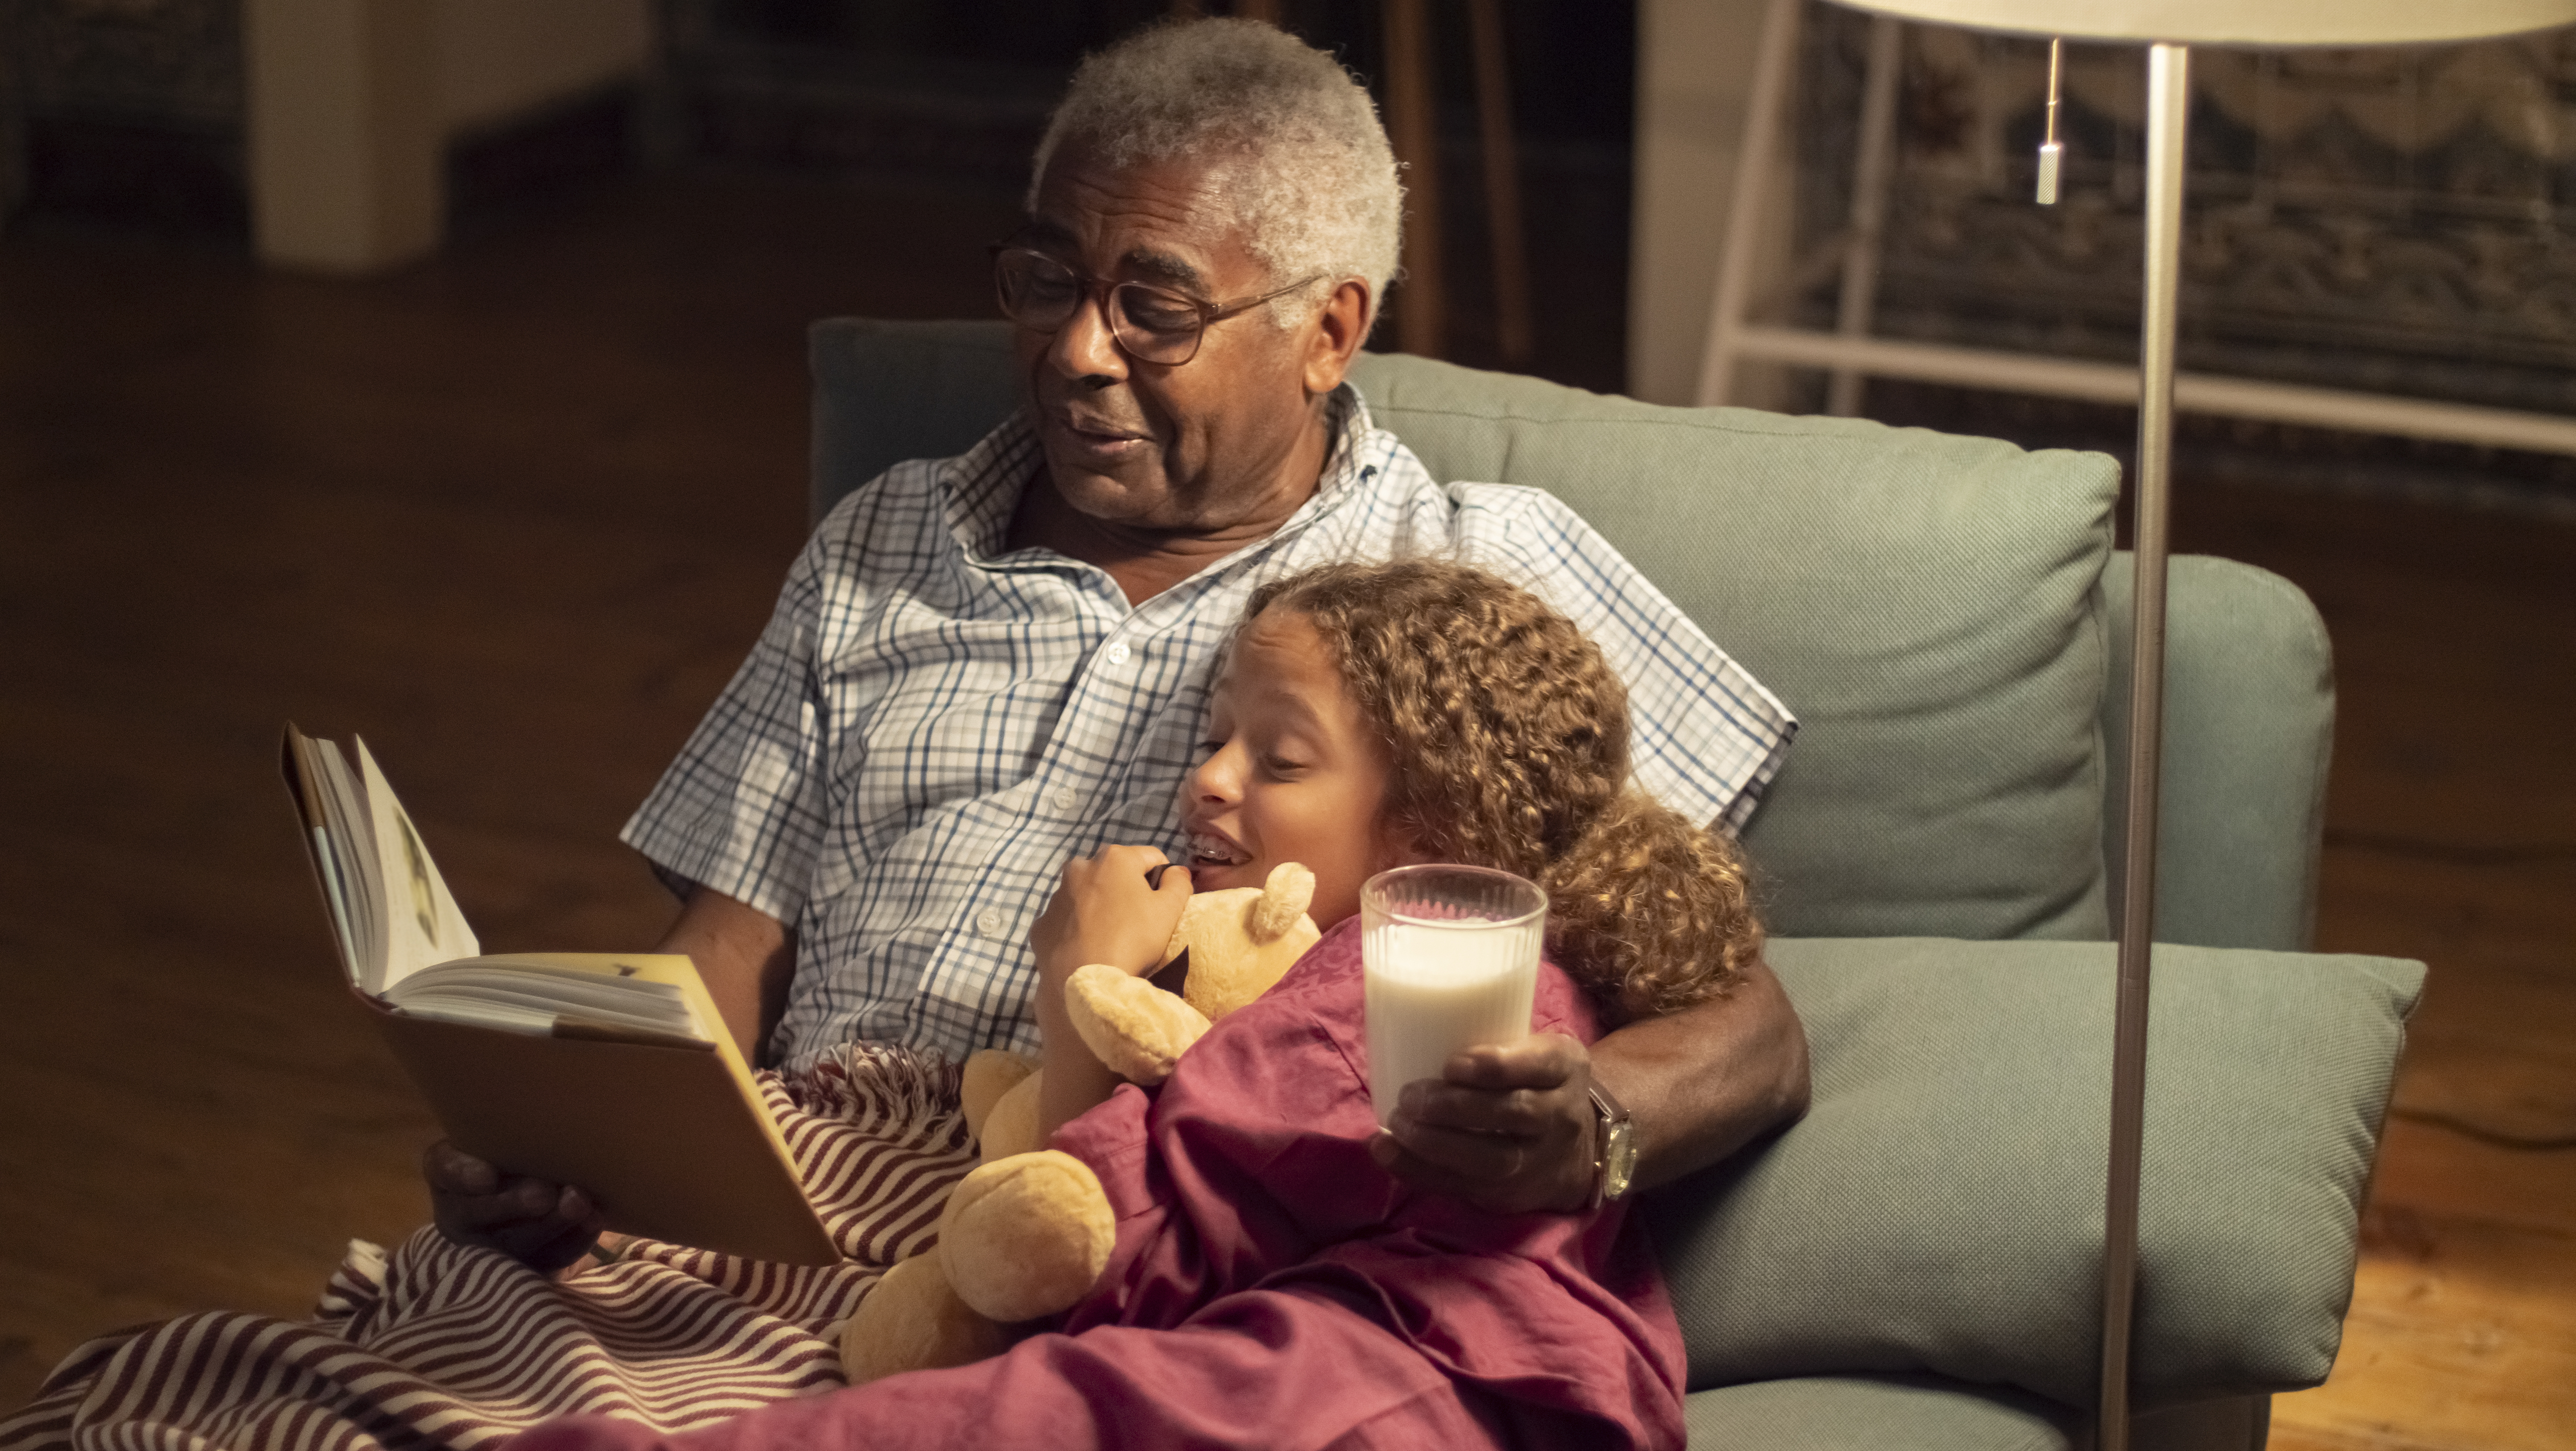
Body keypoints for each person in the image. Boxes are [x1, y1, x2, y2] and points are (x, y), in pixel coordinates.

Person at [431, 13, 1807, 1278]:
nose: (1078, 350)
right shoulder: (884, 539)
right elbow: (726, 949)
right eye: (1048, 279)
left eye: (1155, 306)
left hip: (1126, 1247)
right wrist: (575, 1122)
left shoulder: (1464, 581)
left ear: (1328, 330)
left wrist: (1598, 1127)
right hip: (795, 1200)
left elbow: (1744, 1020)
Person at [516, 558, 1763, 1451]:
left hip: (1390, 1374)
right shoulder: (1417, 976)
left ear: (1440, 819)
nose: (1206, 782)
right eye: (1216, 739)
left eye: (1277, 759)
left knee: (1022, 1414)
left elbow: (1112, 1266)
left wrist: (1077, 989)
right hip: (1415, 1371)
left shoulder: (1368, 998)